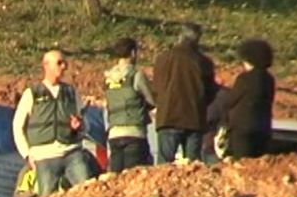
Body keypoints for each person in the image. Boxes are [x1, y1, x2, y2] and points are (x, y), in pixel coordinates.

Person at [12, 50, 93, 197]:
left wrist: (79, 125)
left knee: (87, 192)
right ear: (46, 65)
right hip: (44, 156)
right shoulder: (33, 93)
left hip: (72, 152)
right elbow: (17, 125)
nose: (64, 67)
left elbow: (84, 122)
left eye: (65, 63)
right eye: (59, 63)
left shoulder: (70, 92)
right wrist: (26, 154)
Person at [153, 23, 218, 163]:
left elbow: (156, 88)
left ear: (180, 36)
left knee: (164, 167)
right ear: (198, 39)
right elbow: (211, 92)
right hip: (194, 118)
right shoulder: (204, 62)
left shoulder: (163, 58)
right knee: (193, 166)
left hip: (168, 117)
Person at [104, 37, 156, 172]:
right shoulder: (136, 75)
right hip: (134, 133)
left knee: (117, 179)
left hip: (114, 134)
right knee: (134, 177)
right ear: (133, 53)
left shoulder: (108, 78)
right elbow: (152, 100)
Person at [226, 39, 277, 159]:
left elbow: (231, 101)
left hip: (242, 128)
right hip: (263, 127)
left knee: (241, 162)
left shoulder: (244, 78)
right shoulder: (269, 79)